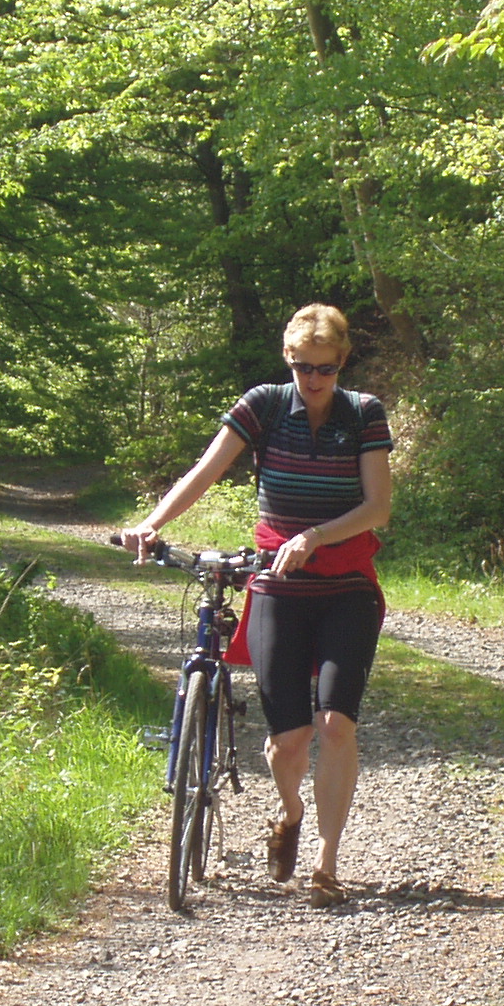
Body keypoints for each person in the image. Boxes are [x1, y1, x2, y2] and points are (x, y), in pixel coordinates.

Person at [120, 304, 393, 904]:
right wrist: (152, 523)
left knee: (335, 724)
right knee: (288, 740)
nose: (313, 380)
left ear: (342, 363)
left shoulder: (363, 413)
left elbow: (378, 507)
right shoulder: (265, 405)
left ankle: (326, 863)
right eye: (303, 368)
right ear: (288, 360)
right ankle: (291, 812)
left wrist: (315, 536)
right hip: (277, 584)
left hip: (345, 586)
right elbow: (206, 470)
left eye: (325, 369)